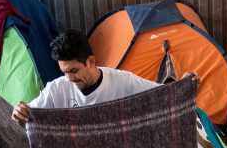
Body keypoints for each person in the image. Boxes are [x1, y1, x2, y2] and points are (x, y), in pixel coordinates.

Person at [13, 30, 158, 125]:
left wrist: (180, 88)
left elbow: (162, 95)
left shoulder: (124, 82)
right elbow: (28, 114)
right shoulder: (56, 89)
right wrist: (19, 113)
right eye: (64, 72)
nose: (69, 78)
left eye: (74, 70)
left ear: (91, 62)